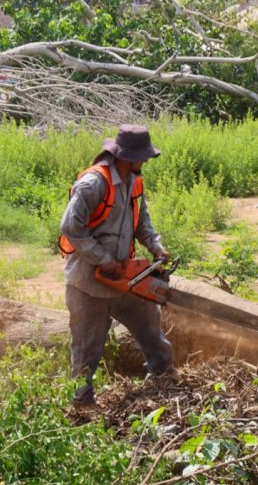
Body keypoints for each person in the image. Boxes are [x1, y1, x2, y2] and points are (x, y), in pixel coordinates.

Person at [58, 125, 177, 407]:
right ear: (125, 156)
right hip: (88, 282)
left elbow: (142, 221)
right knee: (87, 350)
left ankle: (164, 380)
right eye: (142, 156)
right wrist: (103, 259)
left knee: (151, 330)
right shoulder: (94, 183)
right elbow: (70, 227)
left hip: (125, 278)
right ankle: (82, 405)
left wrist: (156, 246)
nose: (145, 161)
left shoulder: (134, 181)